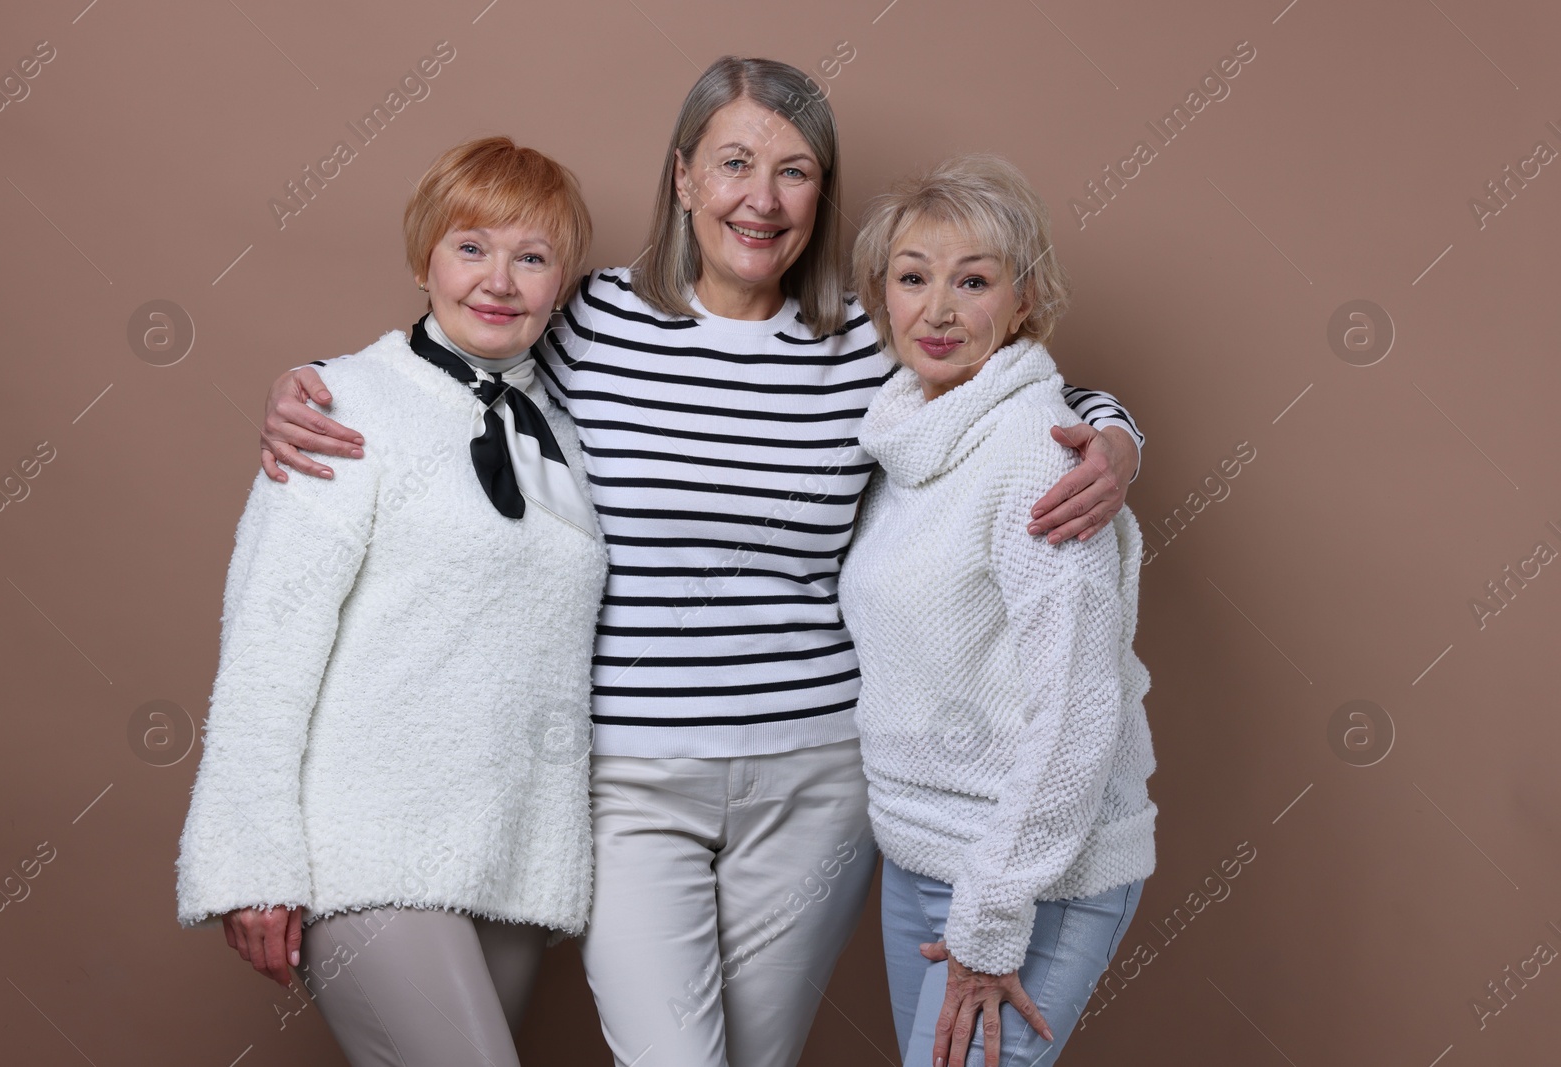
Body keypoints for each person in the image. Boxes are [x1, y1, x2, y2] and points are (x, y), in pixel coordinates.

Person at [253, 59, 1146, 1067]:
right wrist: (321, 385)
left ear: (823, 192)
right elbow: (448, 362)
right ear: (682, 178)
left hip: (819, 782)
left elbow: (1010, 390)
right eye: (733, 162)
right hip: (630, 777)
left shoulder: (869, 340)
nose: (759, 199)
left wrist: (1113, 437)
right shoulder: (587, 319)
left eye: (794, 171)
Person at [175, 136, 608, 1067]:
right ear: (423, 260)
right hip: (364, 848)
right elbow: (267, 639)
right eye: (470, 247)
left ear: (562, 283)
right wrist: (250, 861)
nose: (499, 280)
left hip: (508, 859)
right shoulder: (343, 406)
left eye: (531, 257)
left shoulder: (565, 440)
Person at [839, 155, 1156, 1067]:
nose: (937, 309)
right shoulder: (907, 435)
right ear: (882, 297)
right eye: (912, 277)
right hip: (924, 852)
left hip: (1034, 869)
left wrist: (992, 914)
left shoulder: (1037, 454)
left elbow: (1079, 705)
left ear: (1022, 302)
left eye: (972, 280)